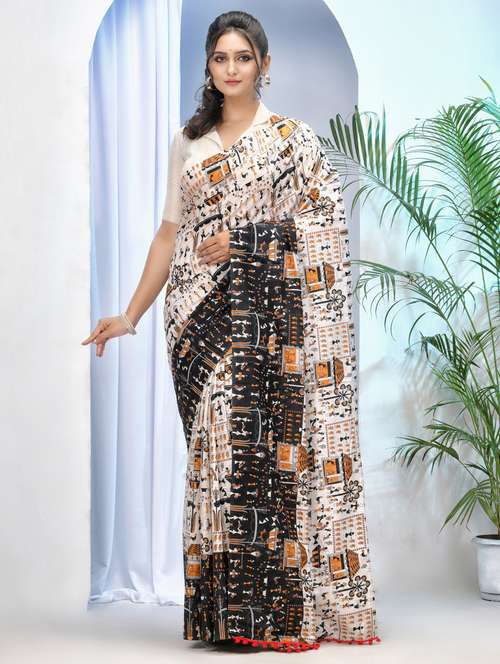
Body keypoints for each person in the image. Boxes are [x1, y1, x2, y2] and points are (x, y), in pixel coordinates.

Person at [82, 10, 381, 654]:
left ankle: (268, 614)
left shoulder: (292, 140)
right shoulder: (188, 143)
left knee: (260, 458)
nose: (231, 68)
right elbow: (168, 235)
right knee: (217, 462)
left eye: (243, 57)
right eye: (220, 57)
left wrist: (248, 240)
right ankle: (223, 616)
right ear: (209, 66)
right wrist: (131, 315)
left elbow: (327, 226)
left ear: (264, 65)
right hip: (196, 318)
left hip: (268, 322)